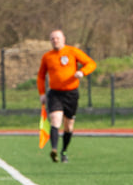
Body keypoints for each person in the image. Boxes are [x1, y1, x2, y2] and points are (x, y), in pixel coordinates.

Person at [37, 29, 96, 163]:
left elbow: (91, 63)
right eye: (52, 39)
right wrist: (41, 93)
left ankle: (64, 151)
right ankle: (54, 150)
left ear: (63, 39)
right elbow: (41, 76)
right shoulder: (47, 56)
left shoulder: (73, 52)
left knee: (68, 126)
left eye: (57, 38)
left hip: (71, 94)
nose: (55, 41)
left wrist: (82, 72)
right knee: (55, 119)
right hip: (55, 93)